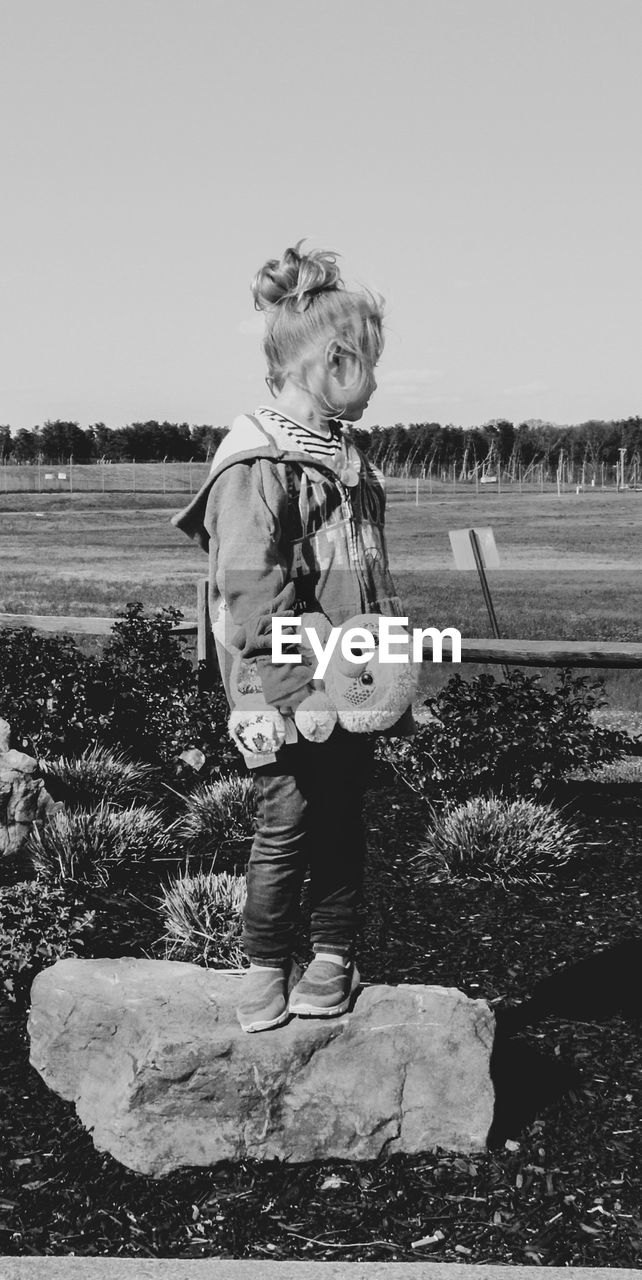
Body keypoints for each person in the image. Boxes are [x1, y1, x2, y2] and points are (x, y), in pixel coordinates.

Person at [173, 242, 412, 1032]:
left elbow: (365, 578)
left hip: (352, 677)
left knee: (344, 815)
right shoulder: (258, 460)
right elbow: (249, 589)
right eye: (371, 365)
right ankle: (263, 963)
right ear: (336, 361)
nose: (377, 382)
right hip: (283, 686)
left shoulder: (345, 458)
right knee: (287, 821)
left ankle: (334, 955)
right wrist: (294, 685)